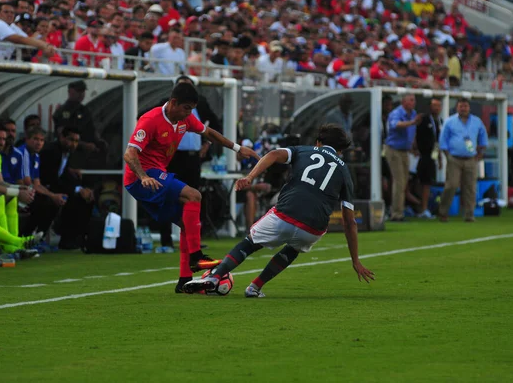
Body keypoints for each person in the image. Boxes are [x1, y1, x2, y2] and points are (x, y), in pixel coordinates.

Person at [183, 124, 374, 297]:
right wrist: (355, 260)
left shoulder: (304, 150)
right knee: (293, 249)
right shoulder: (345, 172)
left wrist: (249, 177)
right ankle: (254, 288)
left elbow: (273, 155)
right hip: (313, 230)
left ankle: (215, 277)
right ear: (340, 150)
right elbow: (349, 221)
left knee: (250, 243)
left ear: (318, 143)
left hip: (286, 213)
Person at [123, 82, 260, 293]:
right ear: (174, 102)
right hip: (142, 176)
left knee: (187, 225)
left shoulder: (185, 119)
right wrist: (142, 176)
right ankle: (196, 257)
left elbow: (209, 133)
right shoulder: (150, 120)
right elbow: (129, 153)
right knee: (193, 195)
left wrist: (237, 148)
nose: (189, 114)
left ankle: (184, 281)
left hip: (156, 175)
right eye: (187, 108)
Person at [157, 75, 215, 252]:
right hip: (173, 157)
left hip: (192, 157)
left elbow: (213, 124)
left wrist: (207, 144)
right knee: (167, 196)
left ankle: (192, 241)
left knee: (194, 197)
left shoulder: (200, 104)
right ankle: (166, 240)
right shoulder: (164, 105)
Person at [39, 126, 94, 249]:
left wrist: (80, 187)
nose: (73, 144)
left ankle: (74, 238)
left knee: (85, 199)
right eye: (71, 140)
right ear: (61, 137)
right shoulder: (52, 152)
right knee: (60, 200)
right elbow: (52, 179)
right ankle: (44, 237)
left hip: (54, 187)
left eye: (76, 141)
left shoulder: (65, 153)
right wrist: (78, 189)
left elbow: (62, 174)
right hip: (43, 188)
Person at [0, 122, 41, 257]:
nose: (2, 142)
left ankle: (15, 247)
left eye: (3, 138)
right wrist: (18, 192)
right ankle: (17, 243)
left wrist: (20, 188)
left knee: (11, 198)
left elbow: (0, 182)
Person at [438, 98, 488, 222]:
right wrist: (447, 155)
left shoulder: (476, 121)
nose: (463, 108)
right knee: (451, 185)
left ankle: (469, 214)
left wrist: (481, 152)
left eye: (465, 106)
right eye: (461, 106)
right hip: (454, 158)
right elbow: (443, 140)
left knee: (470, 187)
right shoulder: (450, 121)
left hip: (471, 158)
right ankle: (443, 212)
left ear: (469, 108)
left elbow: (483, 137)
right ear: (457, 108)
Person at [19, 127, 68, 236]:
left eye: (42, 140)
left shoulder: (36, 156)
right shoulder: (22, 153)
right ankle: (25, 237)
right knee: (42, 202)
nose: (39, 143)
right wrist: (52, 196)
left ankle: (38, 238)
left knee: (53, 203)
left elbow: (37, 183)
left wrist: (54, 196)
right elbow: (27, 182)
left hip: (27, 191)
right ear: (27, 139)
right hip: (16, 190)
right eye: (35, 139)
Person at [384, 94, 422, 221]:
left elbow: (413, 131)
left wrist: (414, 146)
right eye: (411, 100)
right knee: (399, 181)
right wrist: (412, 122)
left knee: (404, 182)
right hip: (394, 150)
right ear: (403, 101)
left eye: (414, 100)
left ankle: (399, 210)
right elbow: (396, 125)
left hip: (405, 150)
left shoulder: (413, 113)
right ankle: (396, 214)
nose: (413, 102)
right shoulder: (397, 113)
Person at [415, 98, 443, 218]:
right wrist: (415, 149)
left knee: (427, 182)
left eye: (438, 106)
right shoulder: (424, 119)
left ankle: (423, 207)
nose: (436, 108)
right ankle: (422, 208)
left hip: (432, 156)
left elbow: (437, 142)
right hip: (422, 155)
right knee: (423, 183)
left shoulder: (439, 121)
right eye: (434, 105)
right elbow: (415, 135)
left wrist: (440, 158)